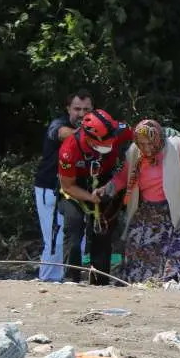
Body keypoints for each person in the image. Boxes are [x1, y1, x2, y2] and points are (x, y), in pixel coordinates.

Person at [108, 119, 180, 285]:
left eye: (150, 143)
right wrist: (108, 189)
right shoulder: (135, 152)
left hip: (175, 214)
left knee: (176, 262)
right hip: (146, 213)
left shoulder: (177, 147)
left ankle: (172, 292)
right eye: (141, 144)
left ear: (159, 139)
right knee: (136, 258)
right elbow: (124, 176)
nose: (147, 149)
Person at [56, 109, 134, 285]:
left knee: (102, 234)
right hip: (76, 187)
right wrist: (90, 198)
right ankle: (71, 279)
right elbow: (67, 185)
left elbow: (142, 133)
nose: (110, 143)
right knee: (74, 229)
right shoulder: (69, 149)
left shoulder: (118, 130)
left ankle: (99, 282)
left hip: (105, 182)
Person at [34, 91, 93, 281]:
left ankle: (69, 279)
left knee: (77, 239)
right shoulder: (59, 124)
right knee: (55, 239)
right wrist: (90, 132)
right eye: (77, 109)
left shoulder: (96, 130)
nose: (82, 114)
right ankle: (49, 281)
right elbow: (60, 133)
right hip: (50, 188)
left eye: (86, 109)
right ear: (68, 109)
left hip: (77, 190)